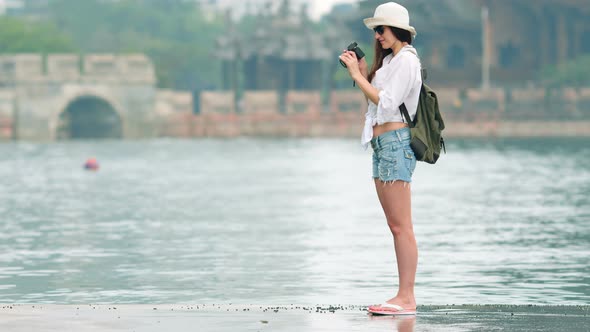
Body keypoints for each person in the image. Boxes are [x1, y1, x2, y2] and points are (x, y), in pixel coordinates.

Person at [339, 2, 421, 316]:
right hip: (382, 144)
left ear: (397, 29)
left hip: (397, 143)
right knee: (394, 225)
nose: (378, 36)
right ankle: (402, 296)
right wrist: (361, 73)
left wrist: (356, 76)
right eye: (376, 31)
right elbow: (376, 104)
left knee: (403, 226)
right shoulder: (389, 62)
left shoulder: (407, 61)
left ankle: (406, 298)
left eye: (382, 29)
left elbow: (387, 103)